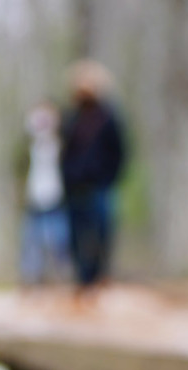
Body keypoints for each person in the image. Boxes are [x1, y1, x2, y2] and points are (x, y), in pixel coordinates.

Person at [59, 60, 127, 291]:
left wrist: (109, 178)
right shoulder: (71, 118)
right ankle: (83, 278)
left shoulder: (109, 117)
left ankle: (99, 276)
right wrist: (66, 177)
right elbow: (64, 151)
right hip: (74, 187)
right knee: (76, 236)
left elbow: (119, 151)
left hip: (100, 186)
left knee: (102, 233)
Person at [19, 103, 68, 285]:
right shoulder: (27, 146)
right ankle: (32, 279)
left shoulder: (62, 144)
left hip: (57, 199)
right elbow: (19, 169)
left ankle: (60, 277)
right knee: (31, 243)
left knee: (58, 242)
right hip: (33, 201)